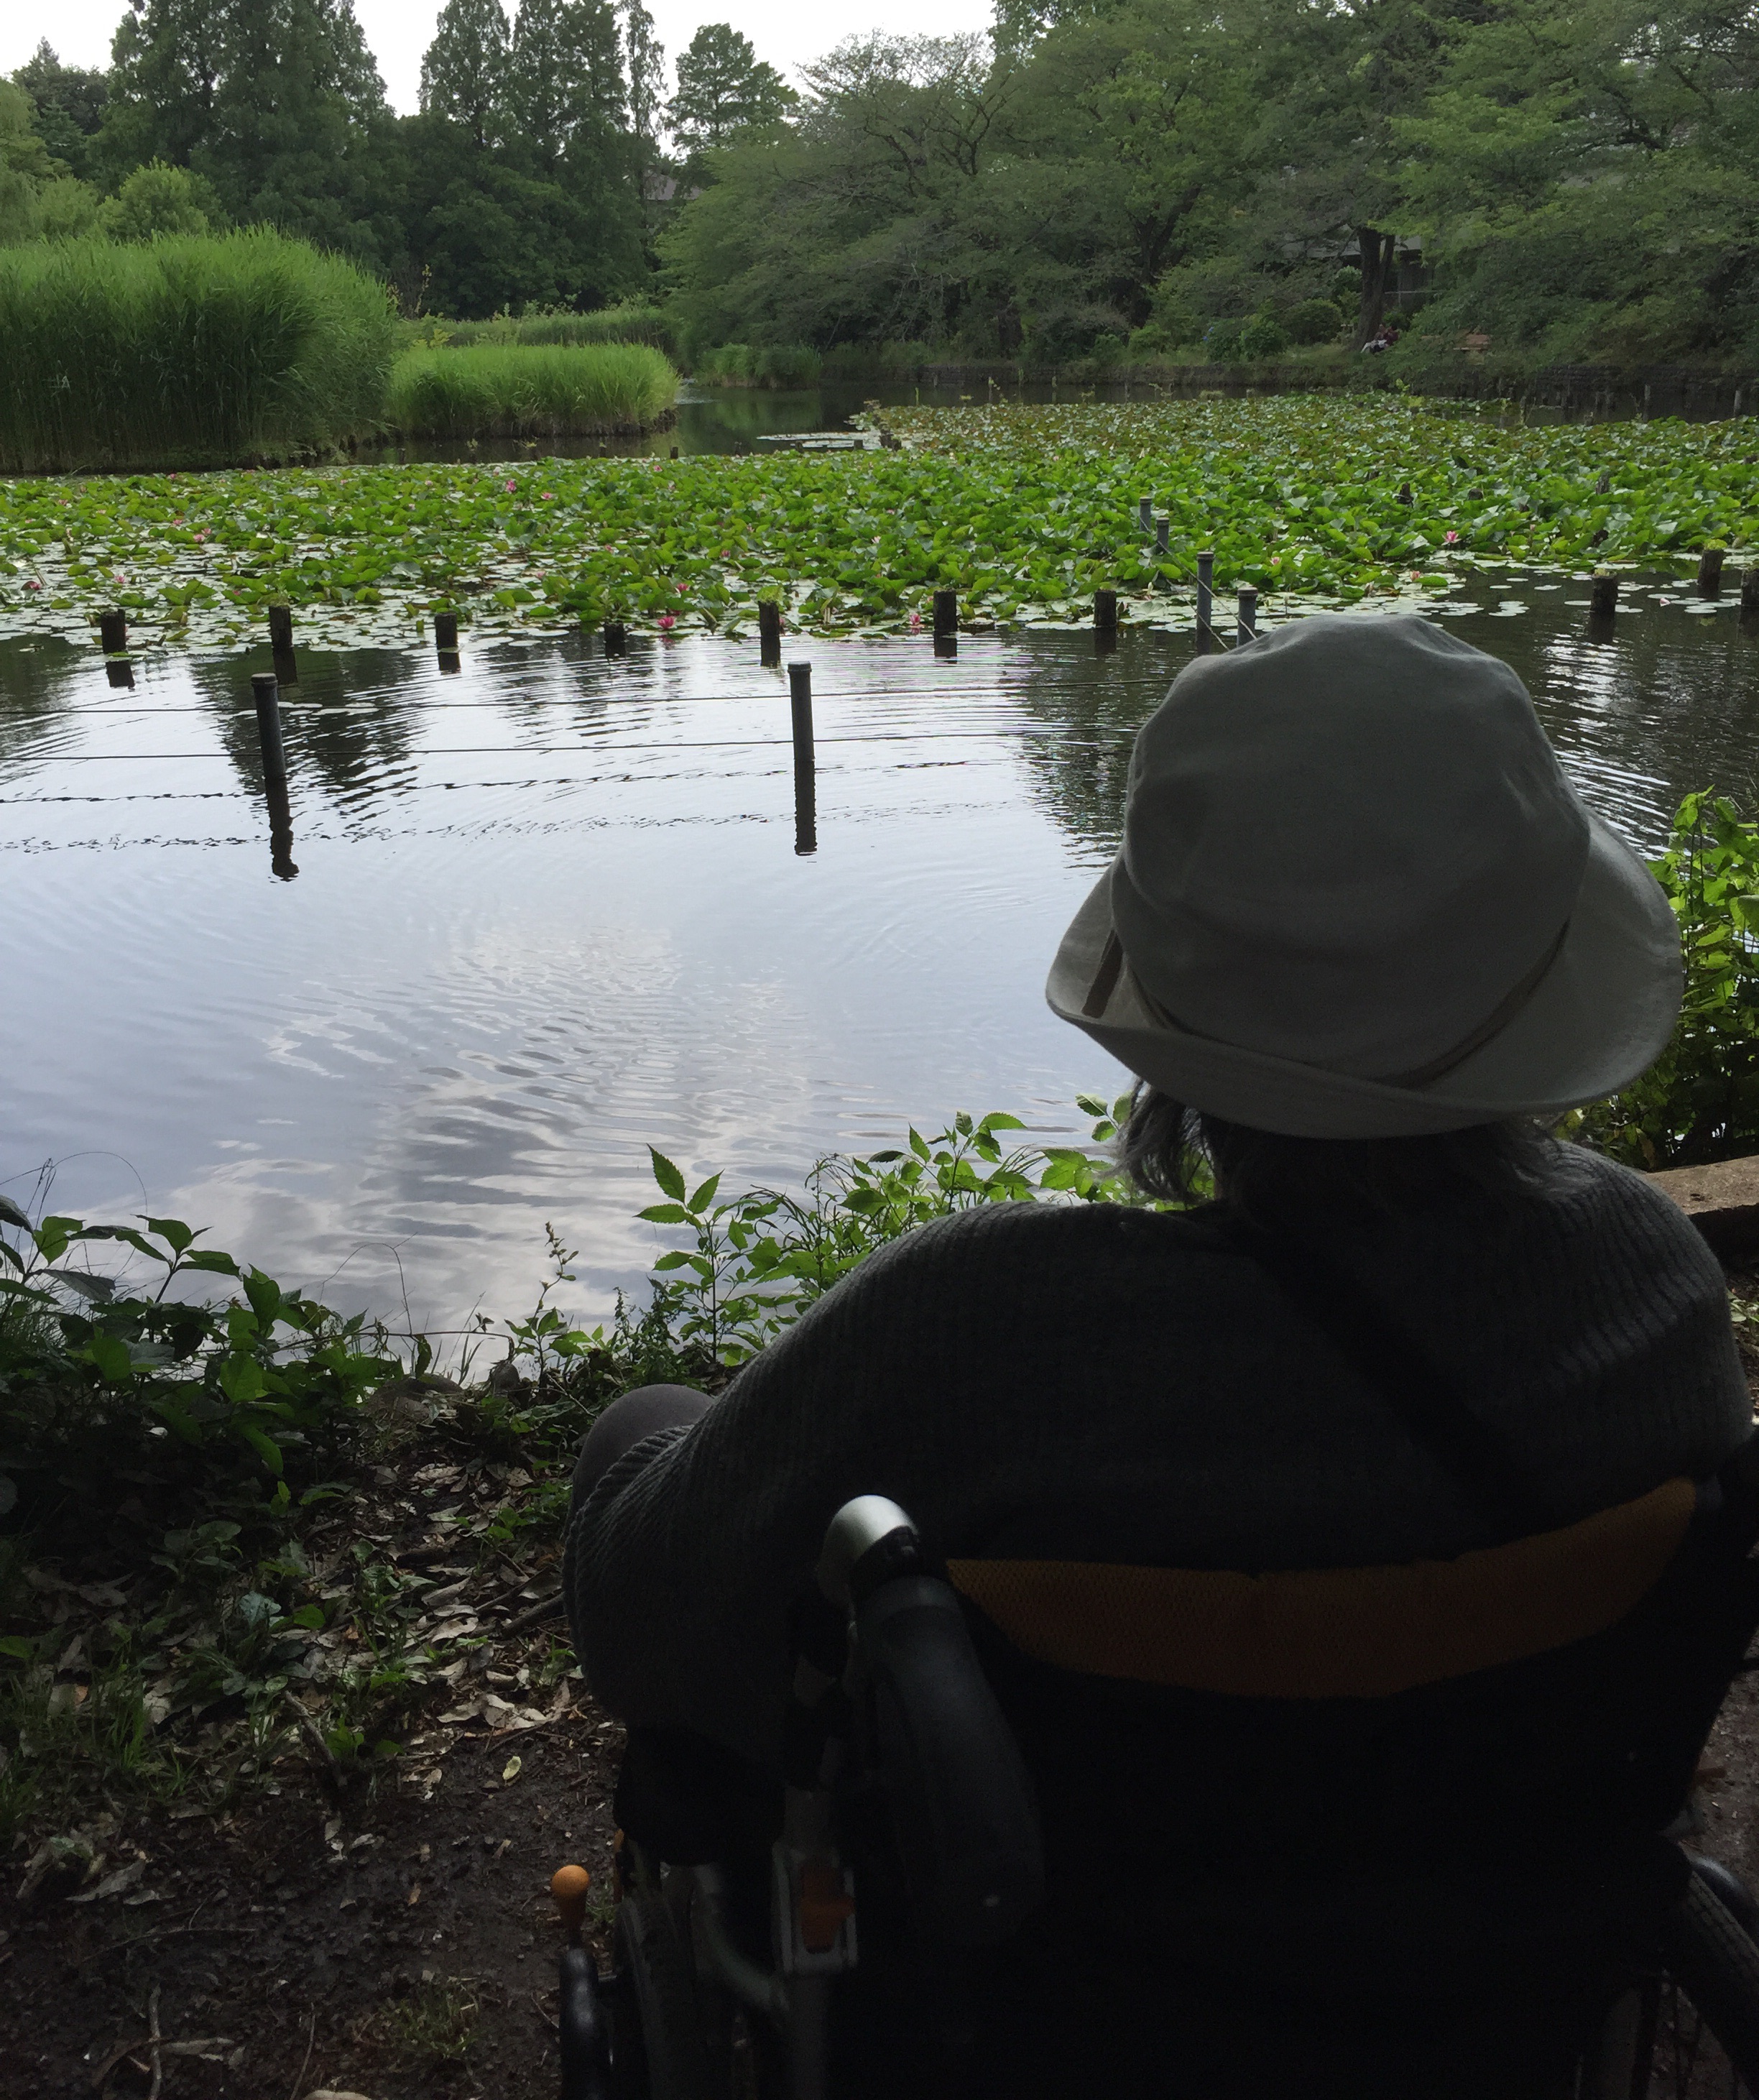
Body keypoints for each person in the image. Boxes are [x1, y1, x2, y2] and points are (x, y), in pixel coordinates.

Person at [563, 613, 1748, 1782]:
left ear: (1166, 1007)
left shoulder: (975, 1325)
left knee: (642, 1424)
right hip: (1538, 1876)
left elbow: (640, 1633)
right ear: (1540, 974)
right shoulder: (1648, 1284)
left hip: (1056, 1910)